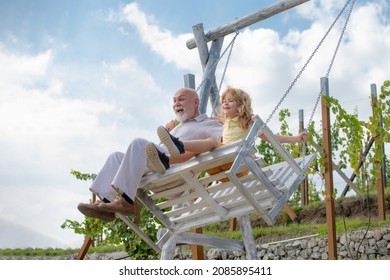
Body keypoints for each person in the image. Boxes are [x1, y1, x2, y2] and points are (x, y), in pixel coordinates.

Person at [77, 88, 223, 222]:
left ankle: (126, 202)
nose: (176, 103)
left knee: (138, 144)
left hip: (177, 172)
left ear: (196, 102)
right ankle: (105, 204)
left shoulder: (209, 123)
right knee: (115, 156)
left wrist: (224, 119)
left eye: (181, 99)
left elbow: (221, 141)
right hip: (157, 167)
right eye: (174, 100)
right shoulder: (179, 127)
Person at [146, 86, 307, 175]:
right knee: (200, 149)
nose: (225, 103)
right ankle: (167, 158)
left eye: (231, 101)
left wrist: (296, 138)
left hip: (239, 162)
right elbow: (198, 124)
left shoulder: (248, 122)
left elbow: (273, 138)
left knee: (210, 142)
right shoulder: (222, 121)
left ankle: (179, 144)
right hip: (219, 164)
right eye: (224, 101)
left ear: (241, 104)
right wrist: (175, 127)